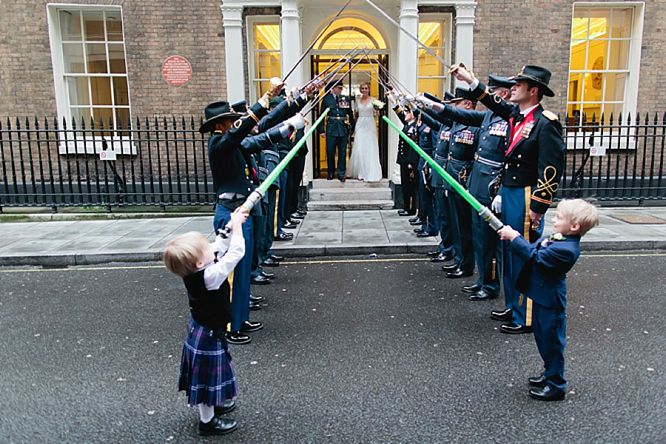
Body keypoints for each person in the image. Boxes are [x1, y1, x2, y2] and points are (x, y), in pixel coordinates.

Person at [451, 63, 565, 334]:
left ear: (533, 91)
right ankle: (513, 305)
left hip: (526, 196)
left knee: (524, 255)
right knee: (509, 252)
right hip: (510, 192)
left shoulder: (545, 123)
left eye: (519, 85)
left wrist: (539, 205)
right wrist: (469, 79)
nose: (512, 88)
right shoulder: (517, 115)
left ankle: (525, 315)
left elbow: (550, 168)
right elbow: (492, 102)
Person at [201, 81, 307, 345]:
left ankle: (240, 318)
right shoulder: (219, 144)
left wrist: (290, 126)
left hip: (241, 213)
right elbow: (242, 132)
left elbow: (260, 139)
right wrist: (266, 98)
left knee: (244, 268)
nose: (231, 123)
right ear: (218, 125)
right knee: (232, 272)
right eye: (228, 120)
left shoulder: (231, 143)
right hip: (229, 214)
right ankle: (228, 325)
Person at [417, 75, 515, 299]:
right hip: (476, 186)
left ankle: (490, 285)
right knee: (479, 236)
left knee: (490, 241)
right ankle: (483, 280)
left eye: (494, 91)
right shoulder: (489, 117)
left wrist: (500, 189)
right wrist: (430, 104)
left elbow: (508, 159)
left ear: (503, 94)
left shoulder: (509, 119)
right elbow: (457, 115)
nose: (490, 95)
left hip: (491, 186)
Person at [498, 199, 599, 401]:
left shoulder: (567, 250)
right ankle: (548, 373)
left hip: (550, 303)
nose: (554, 219)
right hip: (541, 298)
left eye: (559, 217)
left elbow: (534, 256)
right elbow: (535, 249)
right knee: (542, 339)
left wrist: (515, 238)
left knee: (552, 343)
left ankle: (556, 385)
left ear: (574, 226)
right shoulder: (560, 238)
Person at [163, 208, 249, 436]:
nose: (211, 247)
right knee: (206, 379)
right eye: (205, 249)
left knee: (208, 377)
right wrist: (238, 227)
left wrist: (231, 225)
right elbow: (236, 252)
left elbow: (219, 245)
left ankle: (214, 404)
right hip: (207, 335)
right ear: (200, 262)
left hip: (205, 330)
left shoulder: (197, 268)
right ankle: (207, 422)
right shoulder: (209, 276)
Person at [319, 79, 355, 181]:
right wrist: (322, 130)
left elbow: (350, 113)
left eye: (340, 88)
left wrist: (352, 126)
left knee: (342, 152)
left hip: (343, 128)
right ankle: (331, 172)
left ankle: (341, 173)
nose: (339, 90)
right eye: (338, 88)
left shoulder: (345, 98)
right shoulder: (327, 99)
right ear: (333, 88)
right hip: (331, 128)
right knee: (330, 151)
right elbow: (321, 115)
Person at [347, 82, 383, 182]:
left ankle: (370, 172)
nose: (364, 90)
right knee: (359, 147)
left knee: (370, 147)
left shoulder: (373, 100)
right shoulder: (358, 101)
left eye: (366, 88)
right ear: (360, 89)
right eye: (362, 88)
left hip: (370, 123)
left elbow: (378, 112)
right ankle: (360, 172)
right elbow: (355, 115)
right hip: (360, 123)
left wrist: (378, 109)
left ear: (369, 89)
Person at [390, 100, 421, 216]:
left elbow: (413, 147)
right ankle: (406, 206)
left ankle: (411, 208)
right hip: (403, 160)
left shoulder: (415, 126)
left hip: (409, 161)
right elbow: (399, 114)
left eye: (407, 112)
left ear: (412, 114)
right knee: (405, 184)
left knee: (410, 186)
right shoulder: (408, 125)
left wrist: (410, 162)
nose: (405, 114)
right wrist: (393, 101)